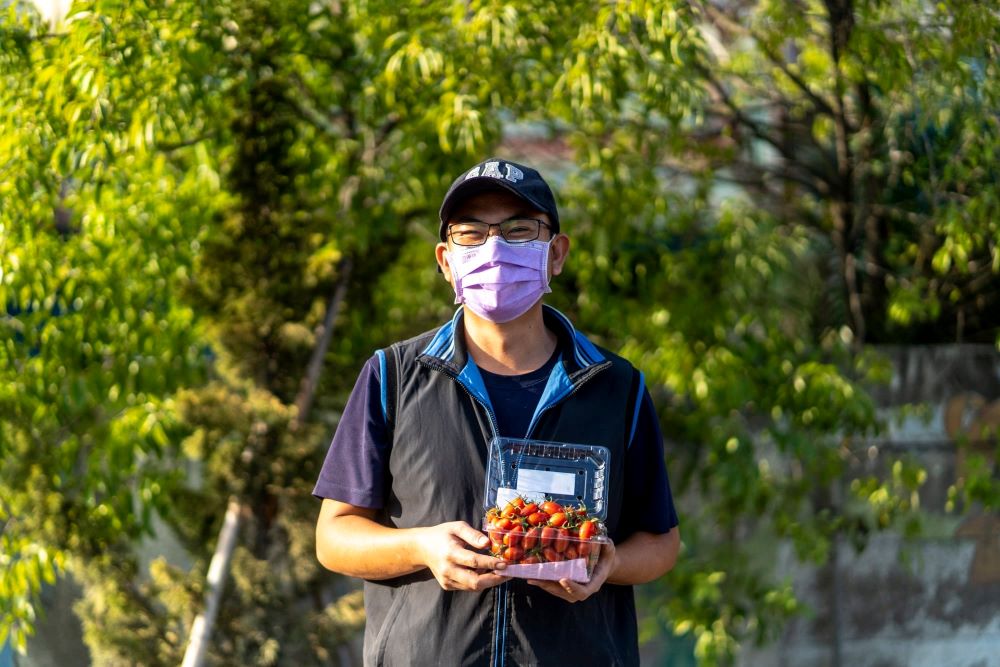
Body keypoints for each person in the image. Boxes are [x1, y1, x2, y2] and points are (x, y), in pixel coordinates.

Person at [314, 157, 680, 666]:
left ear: (557, 253)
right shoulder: (391, 376)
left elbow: (661, 541)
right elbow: (334, 536)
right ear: (445, 260)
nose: (495, 248)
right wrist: (423, 547)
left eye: (518, 229)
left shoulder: (616, 386)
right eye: (471, 233)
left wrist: (608, 563)